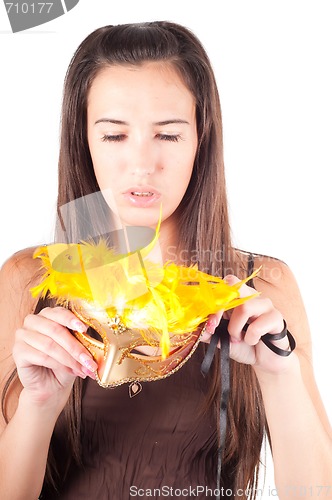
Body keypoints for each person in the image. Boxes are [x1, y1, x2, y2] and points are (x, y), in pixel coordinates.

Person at [0, 21, 331, 500]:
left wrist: (279, 377)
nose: (142, 163)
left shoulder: (263, 289)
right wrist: (39, 405)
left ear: (202, 138)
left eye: (169, 136)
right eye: (115, 135)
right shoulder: (28, 280)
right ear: (83, 140)